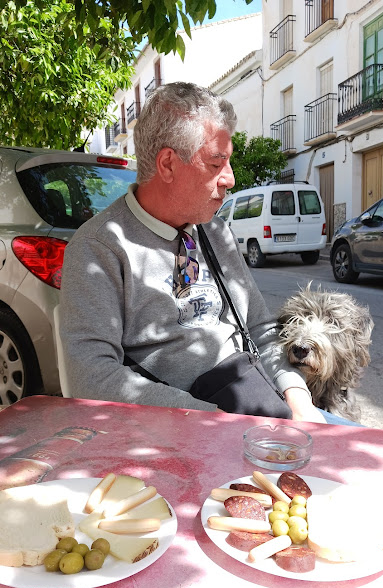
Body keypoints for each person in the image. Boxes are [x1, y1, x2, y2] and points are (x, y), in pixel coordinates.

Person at [60, 82, 351, 425]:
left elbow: (258, 327)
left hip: (256, 404)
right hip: (182, 429)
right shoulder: (100, 247)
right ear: (167, 164)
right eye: (217, 164)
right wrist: (212, 421)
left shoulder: (214, 231)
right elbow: (90, 375)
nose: (229, 179)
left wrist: (299, 400)